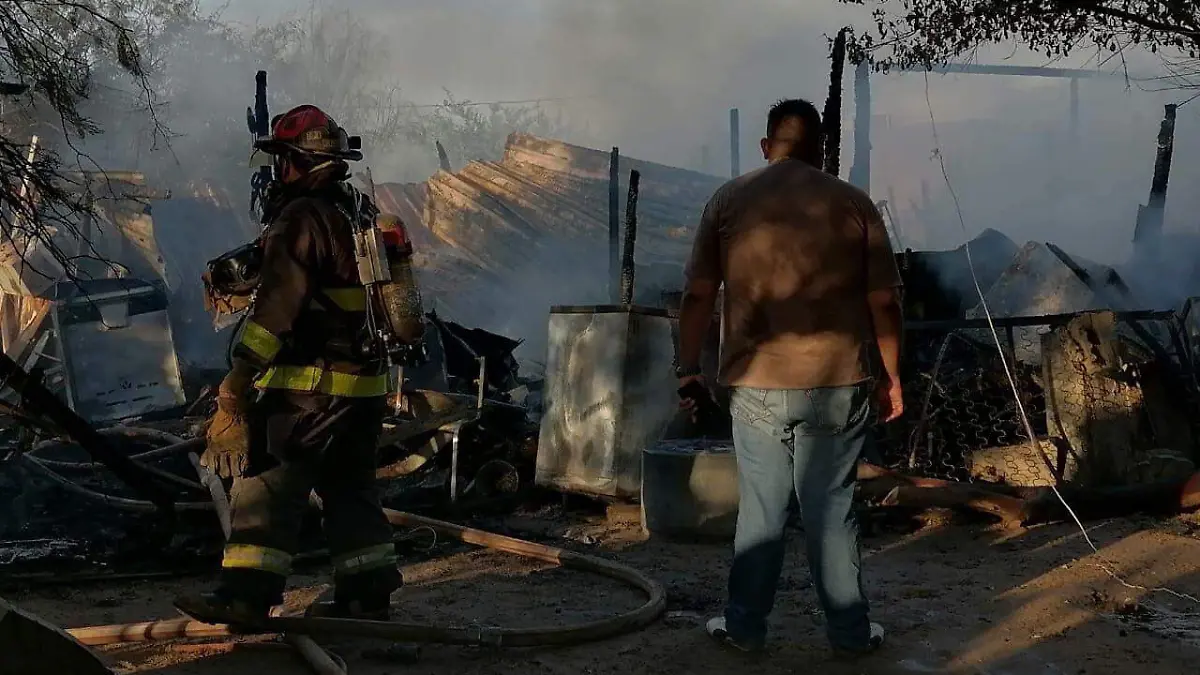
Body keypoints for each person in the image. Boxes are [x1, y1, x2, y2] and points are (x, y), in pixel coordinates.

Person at [175, 104, 421, 626]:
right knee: (351, 490)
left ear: (294, 162)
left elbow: (277, 310)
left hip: (309, 389)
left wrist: (237, 380)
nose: (276, 172)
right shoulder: (357, 210)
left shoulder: (302, 218)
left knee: (266, 484)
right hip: (366, 389)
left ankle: (244, 596)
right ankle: (367, 594)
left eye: (280, 160)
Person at [676, 98, 904, 656]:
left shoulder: (729, 201)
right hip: (837, 381)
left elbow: (699, 294)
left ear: (765, 146)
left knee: (762, 512)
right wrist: (892, 375)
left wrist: (687, 369)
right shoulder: (854, 205)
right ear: (824, 150)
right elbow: (883, 300)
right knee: (831, 511)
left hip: (755, 384)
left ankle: (746, 628)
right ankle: (850, 636)